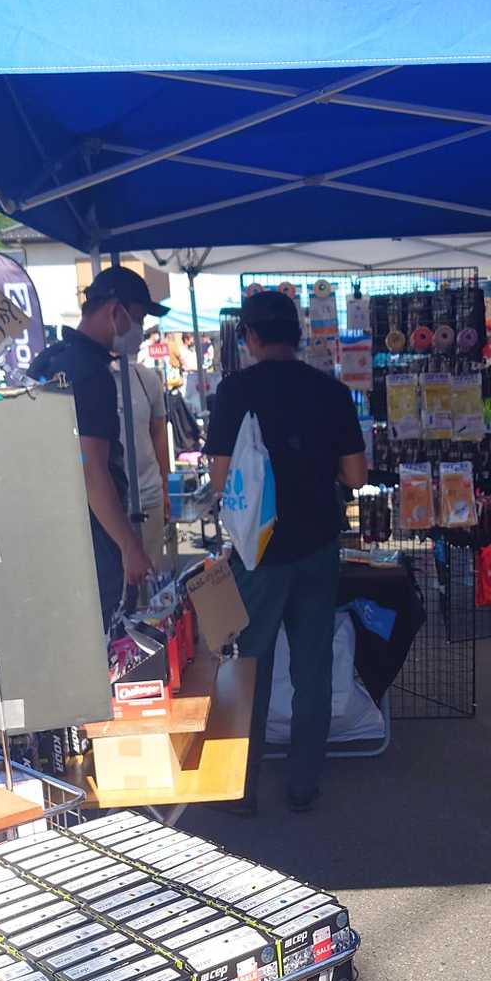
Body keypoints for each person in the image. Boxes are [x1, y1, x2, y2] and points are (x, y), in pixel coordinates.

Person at [206, 288, 367, 814]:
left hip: (259, 552)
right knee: (312, 667)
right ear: (297, 335)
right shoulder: (331, 391)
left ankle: (241, 789)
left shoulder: (235, 391)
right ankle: (303, 782)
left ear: (250, 337)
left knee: (249, 668)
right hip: (318, 543)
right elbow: (356, 476)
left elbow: (220, 479)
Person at [28, 266, 164, 628]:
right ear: (115, 311)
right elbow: (91, 470)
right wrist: (129, 545)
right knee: (104, 634)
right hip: (91, 537)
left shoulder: (48, 360)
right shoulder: (91, 374)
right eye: (138, 319)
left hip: (49, 530)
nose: (140, 331)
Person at [110, 344, 172, 573]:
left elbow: (159, 434)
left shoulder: (147, 379)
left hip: (148, 495)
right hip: (109, 501)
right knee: (115, 578)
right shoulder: (89, 377)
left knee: (150, 573)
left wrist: (165, 487)